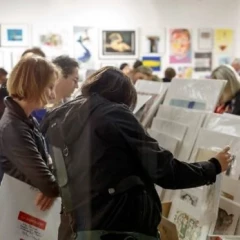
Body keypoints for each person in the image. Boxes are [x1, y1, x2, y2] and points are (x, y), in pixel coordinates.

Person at [41, 67, 232, 240]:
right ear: (124, 96)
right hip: (119, 230)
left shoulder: (57, 119)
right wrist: (213, 166)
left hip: (77, 229)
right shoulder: (113, 114)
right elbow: (165, 171)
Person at [0, 55, 59, 211]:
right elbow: (49, 184)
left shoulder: (24, 119)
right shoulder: (14, 127)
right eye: (50, 87)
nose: (53, 95)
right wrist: (50, 185)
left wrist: (49, 183)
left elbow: (47, 172)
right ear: (34, 85)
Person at [32, 55, 80, 122]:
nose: (77, 86)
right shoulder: (35, 107)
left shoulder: (70, 109)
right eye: (75, 80)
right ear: (60, 76)